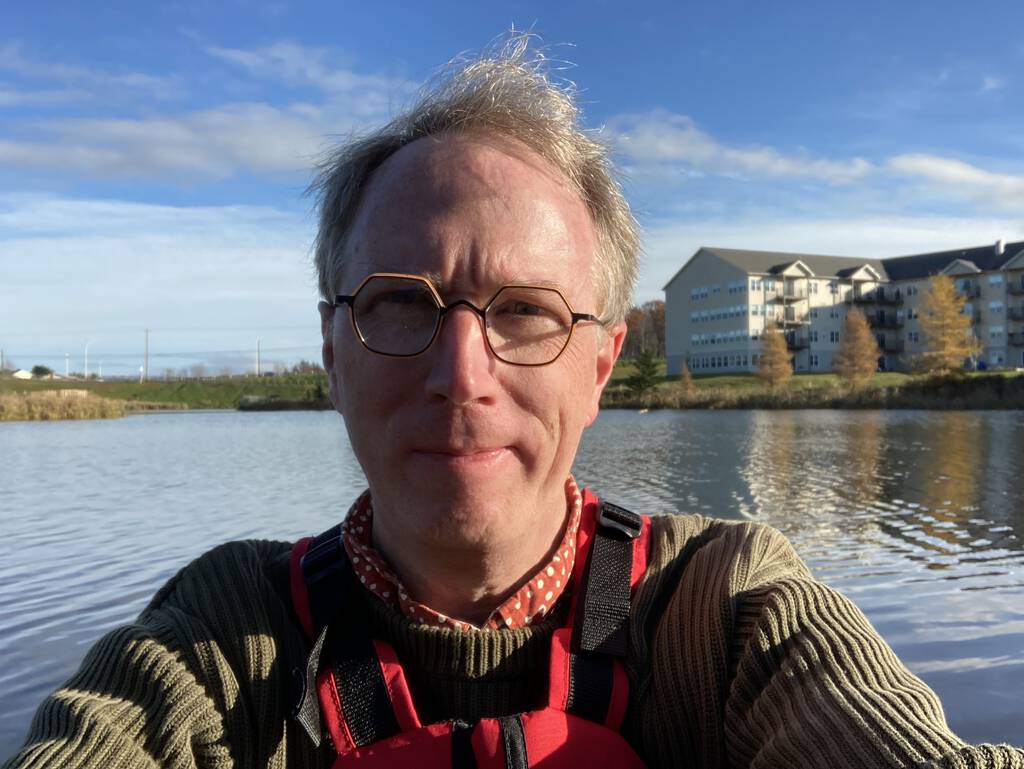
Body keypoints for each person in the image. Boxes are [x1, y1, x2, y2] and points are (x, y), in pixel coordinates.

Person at [5, 38, 1023, 769]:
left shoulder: (725, 612)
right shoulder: (225, 638)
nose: (460, 371)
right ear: (330, 349)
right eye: (400, 304)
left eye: (527, 312)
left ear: (600, 363)